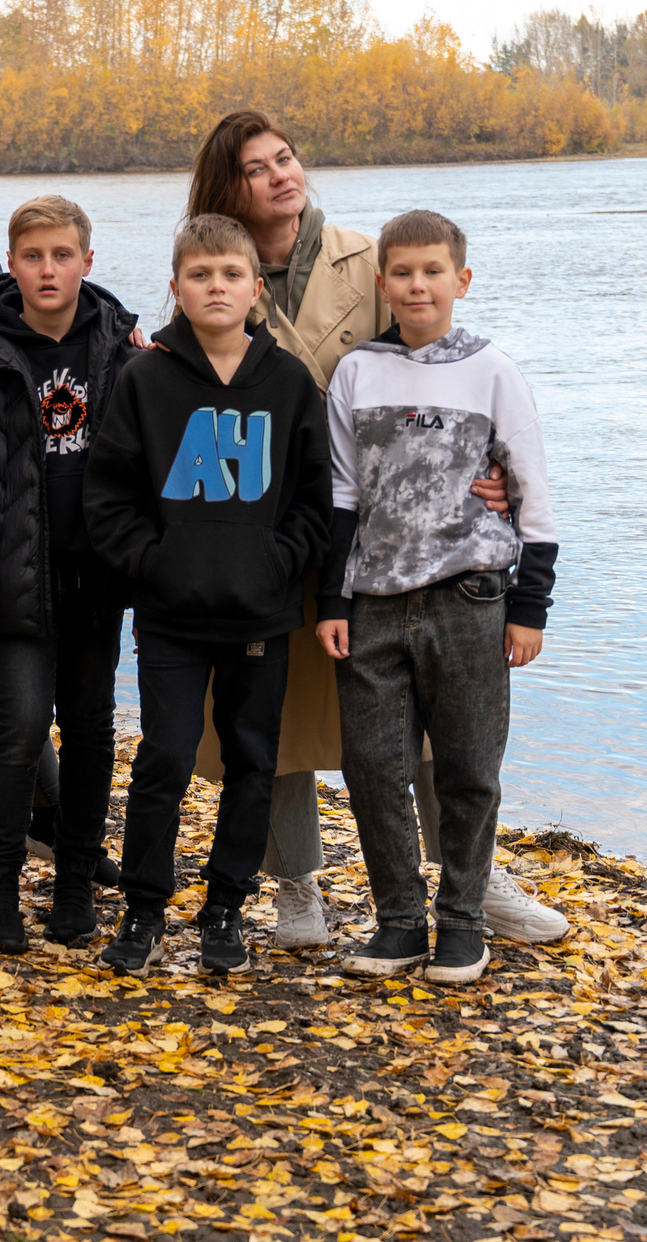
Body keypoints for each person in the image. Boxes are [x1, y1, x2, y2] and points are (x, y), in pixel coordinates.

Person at [182, 111, 558, 950]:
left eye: (288, 157)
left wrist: (481, 475)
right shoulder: (213, 270)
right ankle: (297, 890)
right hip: (266, 527)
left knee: (422, 718)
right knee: (269, 715)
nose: (283, 175)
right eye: (257, 168)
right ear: (227, 185)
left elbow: (447, 373)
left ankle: (474, 882)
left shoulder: (369, 259)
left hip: (387, 536)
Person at [82, 214, 332, 975]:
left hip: (261, 611)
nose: (215, 287)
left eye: (230, 275)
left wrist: (276, 563)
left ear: (256, 288)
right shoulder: (146, 379)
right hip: (171, 619)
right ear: (176, 288)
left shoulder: (287, 381)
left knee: (254, 761)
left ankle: (226, 904)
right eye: (200, 275)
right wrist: (156, 563)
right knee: (164, 755)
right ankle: (144, 907)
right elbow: (109, 497)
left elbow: (314, 501)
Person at [316, 211, 559, 986]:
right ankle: (397, 922)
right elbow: (341, 495)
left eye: (432, 271)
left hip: (472, 598)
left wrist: (530, 607)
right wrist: (331, 598)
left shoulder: (492, 370)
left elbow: (532, 493)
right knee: (373, 766)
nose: (417, 285)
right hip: (374, 602)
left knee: (468, 767)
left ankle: (462, 923)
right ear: (381, 283)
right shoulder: (359, 371)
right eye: (402, 273)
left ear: (461, 280)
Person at [0, 194, 141, 953]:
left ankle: (73, 882)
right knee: (20, 727)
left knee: (91, 730)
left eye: (63, 256)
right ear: (11, 260)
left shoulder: (119, 345)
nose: (48, 269)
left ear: (87, 262)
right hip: (9, 573)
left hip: (94, 577)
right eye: (32, 256)